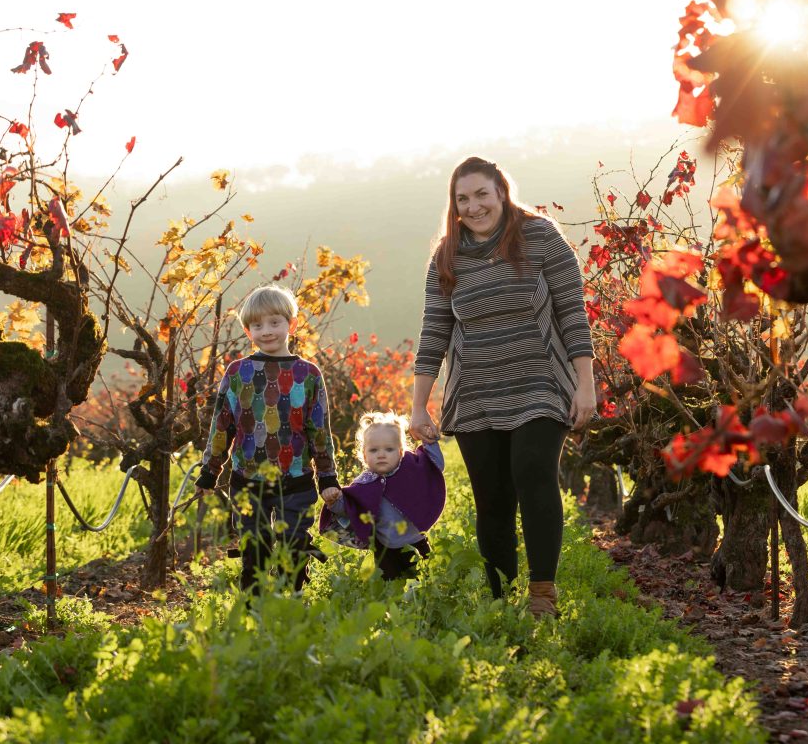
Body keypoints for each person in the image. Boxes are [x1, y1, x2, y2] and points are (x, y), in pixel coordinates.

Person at [409, 156, 595, 619]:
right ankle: (499, 602)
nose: (473, 207)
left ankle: (541, 597)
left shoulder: (540, 236)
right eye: (462, 198)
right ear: (453, 205)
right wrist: (418, 406)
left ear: (501, 193)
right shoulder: (446, 257)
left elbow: (573, 312)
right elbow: (434, 332)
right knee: (492, 499)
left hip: (541, 382)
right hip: (474, 392)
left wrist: (585, 383)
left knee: (533, 474)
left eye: (481, 195)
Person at [194, 285, 339, 594]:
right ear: (248, 331)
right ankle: (254, 607)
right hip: (248, 478)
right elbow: (222, 425)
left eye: (274, 322)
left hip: (296, 477)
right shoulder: (238, 372)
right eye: (257, 325)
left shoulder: (308, 374)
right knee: (254, 547)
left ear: (292, 324)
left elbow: (319, 429)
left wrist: (328, 476)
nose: (266, 331)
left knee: (295, 544)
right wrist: (210, 470)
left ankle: (291, 601)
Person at [318, 412, 446, 580]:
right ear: (364, 455)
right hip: (385, 550)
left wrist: (430, 442)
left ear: (400, 452)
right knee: (391, 588)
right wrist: (334, 500)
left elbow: (435, 466)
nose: (381, 454)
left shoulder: (411, 468)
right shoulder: (364, 483)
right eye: (374, 450)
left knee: (427, 582)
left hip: (416, 543)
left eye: (389, 449)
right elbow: (350, 508)